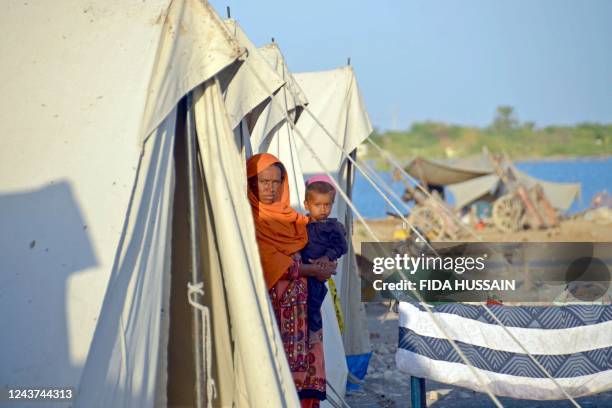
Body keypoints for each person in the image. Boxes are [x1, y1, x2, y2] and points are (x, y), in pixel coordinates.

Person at [246, 153, 336, 407]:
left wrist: (327, 262)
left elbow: (319, 245)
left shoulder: (295, 219)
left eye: (276, 182)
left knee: (307, 374)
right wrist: (312, 270)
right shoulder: (248, 218)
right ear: (251, 182)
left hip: (306, 310)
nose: (270, 188)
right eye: (263, 181)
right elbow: (269, 261)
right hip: (272, 309)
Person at [301, 175, 348, 345]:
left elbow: (342, 247)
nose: (323, 210)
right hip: (303, 269)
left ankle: (314, 330)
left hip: (318, 271)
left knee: (314, 300)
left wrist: (326, 256)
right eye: (318, 205)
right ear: (307, 205)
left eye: (327, 205)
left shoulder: (333, 227)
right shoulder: (302, 224)